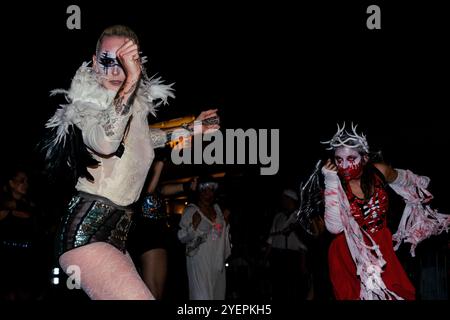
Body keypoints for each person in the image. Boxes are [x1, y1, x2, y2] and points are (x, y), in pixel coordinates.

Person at [39, 25, 219, 300]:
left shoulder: (133, 109)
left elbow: (146, 139)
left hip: (119, 234)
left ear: (138, 62)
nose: (114, 71)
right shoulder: (85, 104)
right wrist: (130, 79)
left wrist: (191, 128)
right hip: (85, 234)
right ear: (94, 59)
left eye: (123, 62)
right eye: (106, 61)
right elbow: (106, 143)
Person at [320, 123, 450, 300]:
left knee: (396, 294)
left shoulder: (379, 172)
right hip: (348, 253)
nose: (344, 165)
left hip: (381, 244)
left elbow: (407, 180)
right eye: (338, 160)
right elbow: (334, 227)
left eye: (351, 158)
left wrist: (421, 186)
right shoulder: (335, 184)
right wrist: (330, 180)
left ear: (364, 158)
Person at [127, 158, 197, 299]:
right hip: (145, 236)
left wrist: (188, 185)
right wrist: (159, 163)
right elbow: (148, 192)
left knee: (157, 292)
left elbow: (165, 189)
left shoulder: (157, 186)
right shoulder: (134, 186)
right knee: (150, 291)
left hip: (158, 237)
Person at [177, 176, 231, 300]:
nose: (208, 193)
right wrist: (193, 226)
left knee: (218, 296)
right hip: (200, 262)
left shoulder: (217, 210)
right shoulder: (191, 210)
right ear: (199, 191)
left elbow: (215, 235)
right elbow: (181, 237)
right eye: (204, 190)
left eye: (211, 190)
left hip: (217, 262)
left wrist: (225, 223)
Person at [0, 166, 46, 300]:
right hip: (7, 257)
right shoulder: (3, 204)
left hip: (27, 257)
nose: (25, 185)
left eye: (26, 181)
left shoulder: (30, 204)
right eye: (21, 181)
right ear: (11, 183)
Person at [265, 189, 311, 300]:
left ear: (290, 200)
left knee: (292, 287)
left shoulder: (300, 217)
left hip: (292, 256)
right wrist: (266, 257)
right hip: (277, 255)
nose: (282, 201)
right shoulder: (278, 216)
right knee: (277, 286)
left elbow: (303, 245)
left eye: (284, 198)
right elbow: (271, 239)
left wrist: (303, 264)